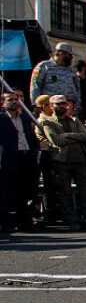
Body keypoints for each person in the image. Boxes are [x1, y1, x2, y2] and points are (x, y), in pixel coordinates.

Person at [40, 94, 86, 231]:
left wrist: (66, 135)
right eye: (58, 104)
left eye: (64, 103)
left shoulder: (74, 120)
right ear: (51, 106)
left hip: (79, 159)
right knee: (65, 192)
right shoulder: (47, 122)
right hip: (61, 160)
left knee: (84, 191)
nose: (62, 106)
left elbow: (85, 136)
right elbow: (56, 141)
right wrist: (72, 138)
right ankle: (72, 221)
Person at [0, 91, 38, 234]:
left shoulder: (25, 117)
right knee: (7, 192)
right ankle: (7, 223)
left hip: (26, 156)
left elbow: (30, 136)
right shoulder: (2, 118)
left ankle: (25, 222)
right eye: (10, 100)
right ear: (3, 103)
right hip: (9, 158)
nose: (14, 102)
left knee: (26, 191)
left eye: (16, 99)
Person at [30, 42, 80, 114]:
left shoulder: (71, 70)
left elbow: (77, 90)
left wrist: (77, 106)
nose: (71, 57)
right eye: (69, 55)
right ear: (60, 53)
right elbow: (35, 86)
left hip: (68, 109)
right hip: (51, 108)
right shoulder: (44, 66)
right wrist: (36, 105)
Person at [33, 94, 59, 225]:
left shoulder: (53, 119)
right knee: (48, 185)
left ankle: (53, 212)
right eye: (50, 104)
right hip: (46, 155)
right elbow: (52, 140)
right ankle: (49, 213)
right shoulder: (42, 120)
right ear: (43, 106)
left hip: (52, 155)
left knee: (53, 185)